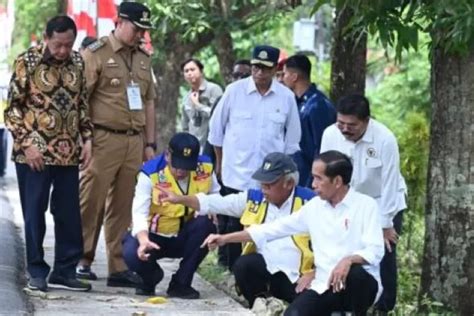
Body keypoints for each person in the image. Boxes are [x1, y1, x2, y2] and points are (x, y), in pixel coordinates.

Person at [202, 151, 385, 315]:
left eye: (318, 179)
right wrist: (225, 238)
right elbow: (272, 230)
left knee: (356, 274)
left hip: (359, 286)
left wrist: (348, 260)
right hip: (324, 284)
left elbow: (375, 250)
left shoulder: (365, 205)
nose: (313, 184)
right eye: (313, 178)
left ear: (337, 181)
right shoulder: (314, 207)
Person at [4, 15, 93, 292]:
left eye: (68, 45)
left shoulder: (78, 62)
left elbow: (82, 105)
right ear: (46, 38)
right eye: (58, 45)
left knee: (68, 213)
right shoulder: (26, 62)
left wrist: (87, 139)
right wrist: (27, 144)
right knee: (34, 212)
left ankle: (64, 271)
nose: (63, 51)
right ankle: (36, 270)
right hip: (34, 154)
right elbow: (13, 109)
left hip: (68, 152)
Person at [160, 152, 315, 307]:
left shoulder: (310, 203)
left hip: (299, 275)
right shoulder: (254, 199)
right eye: (262, 183)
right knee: (243, 265)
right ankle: (259, 303)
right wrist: (179, 199)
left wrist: (314, 273)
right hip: (265, 270)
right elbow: (215, 203)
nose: (263, 190)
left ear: (288, 183)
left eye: (269, 185)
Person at [77, 2, 157, 287]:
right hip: (102, 138)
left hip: (134, 141)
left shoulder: (144, 59)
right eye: (137, 29)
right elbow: (80, 100)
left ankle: (117, 266)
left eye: (144, 30)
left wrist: (150, 143)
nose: (140, 35)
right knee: (91, 202)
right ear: (119, 21)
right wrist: (84, 139)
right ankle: (82, 260)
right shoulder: (96, 53)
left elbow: (149, 103)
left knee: (123, 206)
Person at [208, 44, 301, 268]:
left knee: (264, 225)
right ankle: (230, 271)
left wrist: (283, 175)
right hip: (235, 173)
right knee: (232, 224)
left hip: (269, 179)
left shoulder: (286, 97)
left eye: (265, 68)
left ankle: (261, 270)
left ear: (273, 70)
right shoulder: (233, 91)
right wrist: (219, 165)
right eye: (255, 67)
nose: (259, 72)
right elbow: (216, 133)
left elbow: (291, 142)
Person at [320, 94, 407, 313]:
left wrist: (386, 225)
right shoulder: (330, 134)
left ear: (367, 121)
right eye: (341, 123)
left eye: (352, 125)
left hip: (382, 201)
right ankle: (346, 301)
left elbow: (390, 182)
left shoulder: (384, 138)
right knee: (345, 248)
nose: (345, 129)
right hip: (348, 201)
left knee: (383, 252)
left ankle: (384, 305)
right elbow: (323, 170)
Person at [122, 132, 220, 299]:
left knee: (207, 224)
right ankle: (149, 279)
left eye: (187, 166)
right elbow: (139, 212)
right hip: (155, 236)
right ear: (167, 155)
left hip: (185, 236)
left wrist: (212, 208)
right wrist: (144, 240)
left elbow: (215, 194)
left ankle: (181, 284)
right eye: (177, 165)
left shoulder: (205, 167)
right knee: (131, 251)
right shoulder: (150, 173)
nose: (181, 171)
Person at [282, 54, 336, 188]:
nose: (282, 79)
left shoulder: (318, 105)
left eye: (284, 74)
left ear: (294, 77)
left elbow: (322, 146)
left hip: (309, 178)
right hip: (294, 174)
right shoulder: (293, 102)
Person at [181, 58, 222, 153]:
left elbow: (218, 116)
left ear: (201, 71)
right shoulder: (186, 98)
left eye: (192, 69)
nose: (189, 73)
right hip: (194, 149)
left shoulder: (214, 90)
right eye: (186, 71)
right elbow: (185, 126)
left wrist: (197, 104)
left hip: (212, 147)